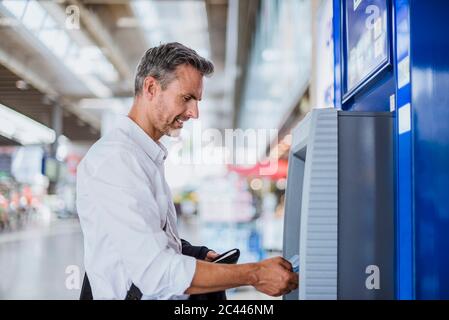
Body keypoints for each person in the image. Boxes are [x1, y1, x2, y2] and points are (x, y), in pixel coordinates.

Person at [76, 42, 298, 300]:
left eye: (197, 100)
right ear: (151, 88)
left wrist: (196, 253)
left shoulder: (144, 156)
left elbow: (141, 239)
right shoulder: (116, 160)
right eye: (186, 98)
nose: (194, 112)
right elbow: (156, 273)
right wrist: (254, 273)